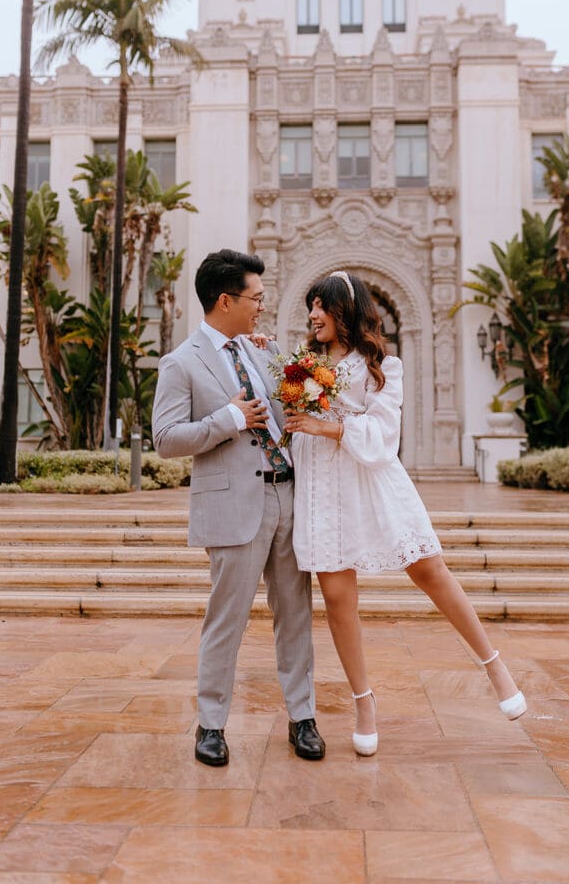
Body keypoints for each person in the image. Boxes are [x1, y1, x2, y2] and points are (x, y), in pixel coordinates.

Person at [282, 270, 527, 758]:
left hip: (371, 479)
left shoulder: (383, 366)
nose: (312, 315)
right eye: (310, 306)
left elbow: (383, 436)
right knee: (335, 596)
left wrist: (324, 425)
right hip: (322, 488)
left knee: (429, 568)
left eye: (321, 306)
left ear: (345, 311)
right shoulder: (303, 364)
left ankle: (494, 665)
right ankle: (364, 701)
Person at [152, 249, 325, 767]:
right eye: (256, 298)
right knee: (226, 618)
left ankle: (304, 717)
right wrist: (227, 418)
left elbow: (285, 408)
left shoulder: (256, 350)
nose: (261, 307)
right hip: (233, 507)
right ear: (224, 299)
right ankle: (210, 725)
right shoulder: (181, 362)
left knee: (295, 615)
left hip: (287, 496)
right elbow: (164, 439)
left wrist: (287, 368)